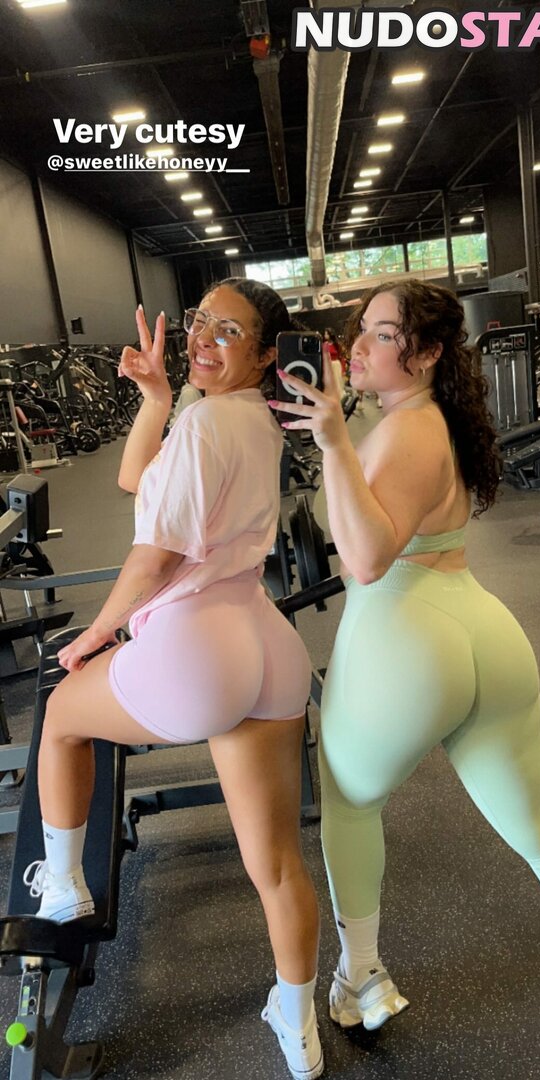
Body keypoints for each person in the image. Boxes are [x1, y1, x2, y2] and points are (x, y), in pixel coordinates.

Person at [270, 278, 540, 1043]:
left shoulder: (409, 431)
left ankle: (361, 978)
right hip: (483, 633)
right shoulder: (418, 419)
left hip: (408, 641)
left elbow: (364, 559)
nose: (358, 343)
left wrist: (333, 445)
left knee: (351, 805)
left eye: (382, 334)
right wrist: (339, 431)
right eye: (361, 327)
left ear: (424, 354)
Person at [20, 278, 324, 1080]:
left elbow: (153, 557)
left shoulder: (207, 425)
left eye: (228, 331)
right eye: (200, 322)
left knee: (62, 713)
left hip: (196, 649)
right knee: (277, 864)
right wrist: (156, 396)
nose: (203, 338)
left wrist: (96, 634)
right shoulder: (251, 418)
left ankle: (63, 888)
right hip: (263, 642)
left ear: (264, 354)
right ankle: (299, 1030)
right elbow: (136, 480)